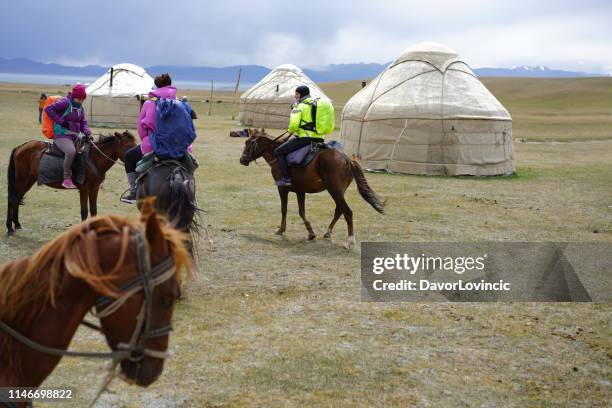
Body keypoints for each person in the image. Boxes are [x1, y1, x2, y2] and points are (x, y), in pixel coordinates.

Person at [122, 73, 195, 203]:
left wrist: (148, 140)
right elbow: (187, 126)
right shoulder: (179, 102)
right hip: (179, 147)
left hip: (154, 146)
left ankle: (133, 192)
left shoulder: (150, 103)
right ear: (170, 85)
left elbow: (141, 128)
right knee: (189, 168)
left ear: (156, 86)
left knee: (129, 157)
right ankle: (191, 196)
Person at [273, 85, 324, 187]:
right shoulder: (316, 105)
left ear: (299, 94)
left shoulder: (299, 106)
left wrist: (290, 131)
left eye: (296, 94)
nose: (295, 96)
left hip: (305, 138)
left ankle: (286, 179)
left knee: (278, 151)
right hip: (319, 137)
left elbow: (293, 125)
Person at [44, 84, 91, 189]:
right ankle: (66, 179)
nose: (80, 101)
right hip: (61, 135)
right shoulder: (65, 102)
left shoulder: (80, 108)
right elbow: (48, 110)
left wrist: (87, 132)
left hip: (75, 136)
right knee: (71, 152)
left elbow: (83, 122)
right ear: (74, 96)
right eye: (79, 99)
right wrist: (61, 121)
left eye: (82, 99)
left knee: (85, 151)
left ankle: (77, 175)